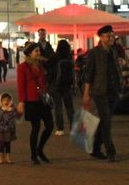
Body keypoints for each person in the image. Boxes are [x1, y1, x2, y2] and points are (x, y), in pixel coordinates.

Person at [82, 24, 120, 162]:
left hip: (113, 91)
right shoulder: (94, 53)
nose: (111, 38)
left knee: (104, 121)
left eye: (112, 35)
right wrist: (86, 93)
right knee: (106, 121)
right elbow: (89, 74)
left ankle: (95, 148)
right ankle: (111, 152)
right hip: (100, 91)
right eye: (108, 36)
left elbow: (117, 69)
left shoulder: (114, 51)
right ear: (101, 37)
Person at [16, 41, 52, 165]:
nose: (38, 53)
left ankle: (40, 149)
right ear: (29, 54)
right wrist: (21, 101)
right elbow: (21, 85)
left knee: (50, 125)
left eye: (39, 51)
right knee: (35, 127)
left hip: (42, 100)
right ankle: (33, 155)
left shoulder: (41, 65)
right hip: (31, 101)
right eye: (36, 51)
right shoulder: (23, 67)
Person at [49, 39, 75, 136]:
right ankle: (73, 127)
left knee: (58, 107)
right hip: (67, 85)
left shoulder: (55, 56)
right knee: (70, 107)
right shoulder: (69, 56)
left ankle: (60, 128)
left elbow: (48, 67)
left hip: (56, 84)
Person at [0, 92, 19, 165]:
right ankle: (0, 157)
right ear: (1, 101)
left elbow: (18, 116)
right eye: (4, 100)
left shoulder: (12, 109)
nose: (6, 102)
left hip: (9, 130)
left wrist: (16, 109)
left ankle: (8, 157)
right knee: (1, 144)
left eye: (8, 100)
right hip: (0, 130)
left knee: (8, 144)